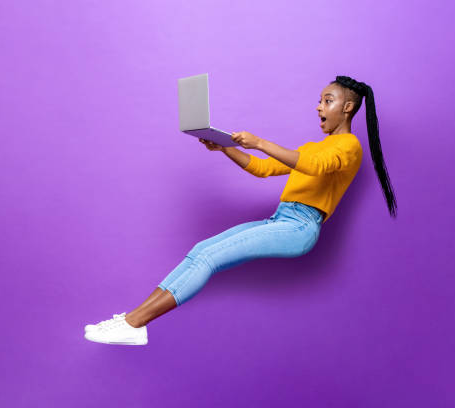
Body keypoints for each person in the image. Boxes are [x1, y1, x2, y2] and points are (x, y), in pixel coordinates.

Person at [84, 75, 398, 345]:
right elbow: (262, 169)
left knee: (208, 258)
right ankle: (131, 321)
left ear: (347, 107)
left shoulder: (349, 146)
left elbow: (315, 167)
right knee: (201, 250)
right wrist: (225, 147)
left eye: (327, 100)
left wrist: (259, 141)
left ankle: (133, 325)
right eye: (319, 100)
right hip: (281, 219)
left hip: (300, 227)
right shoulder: (311, 147)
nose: (318, 106)